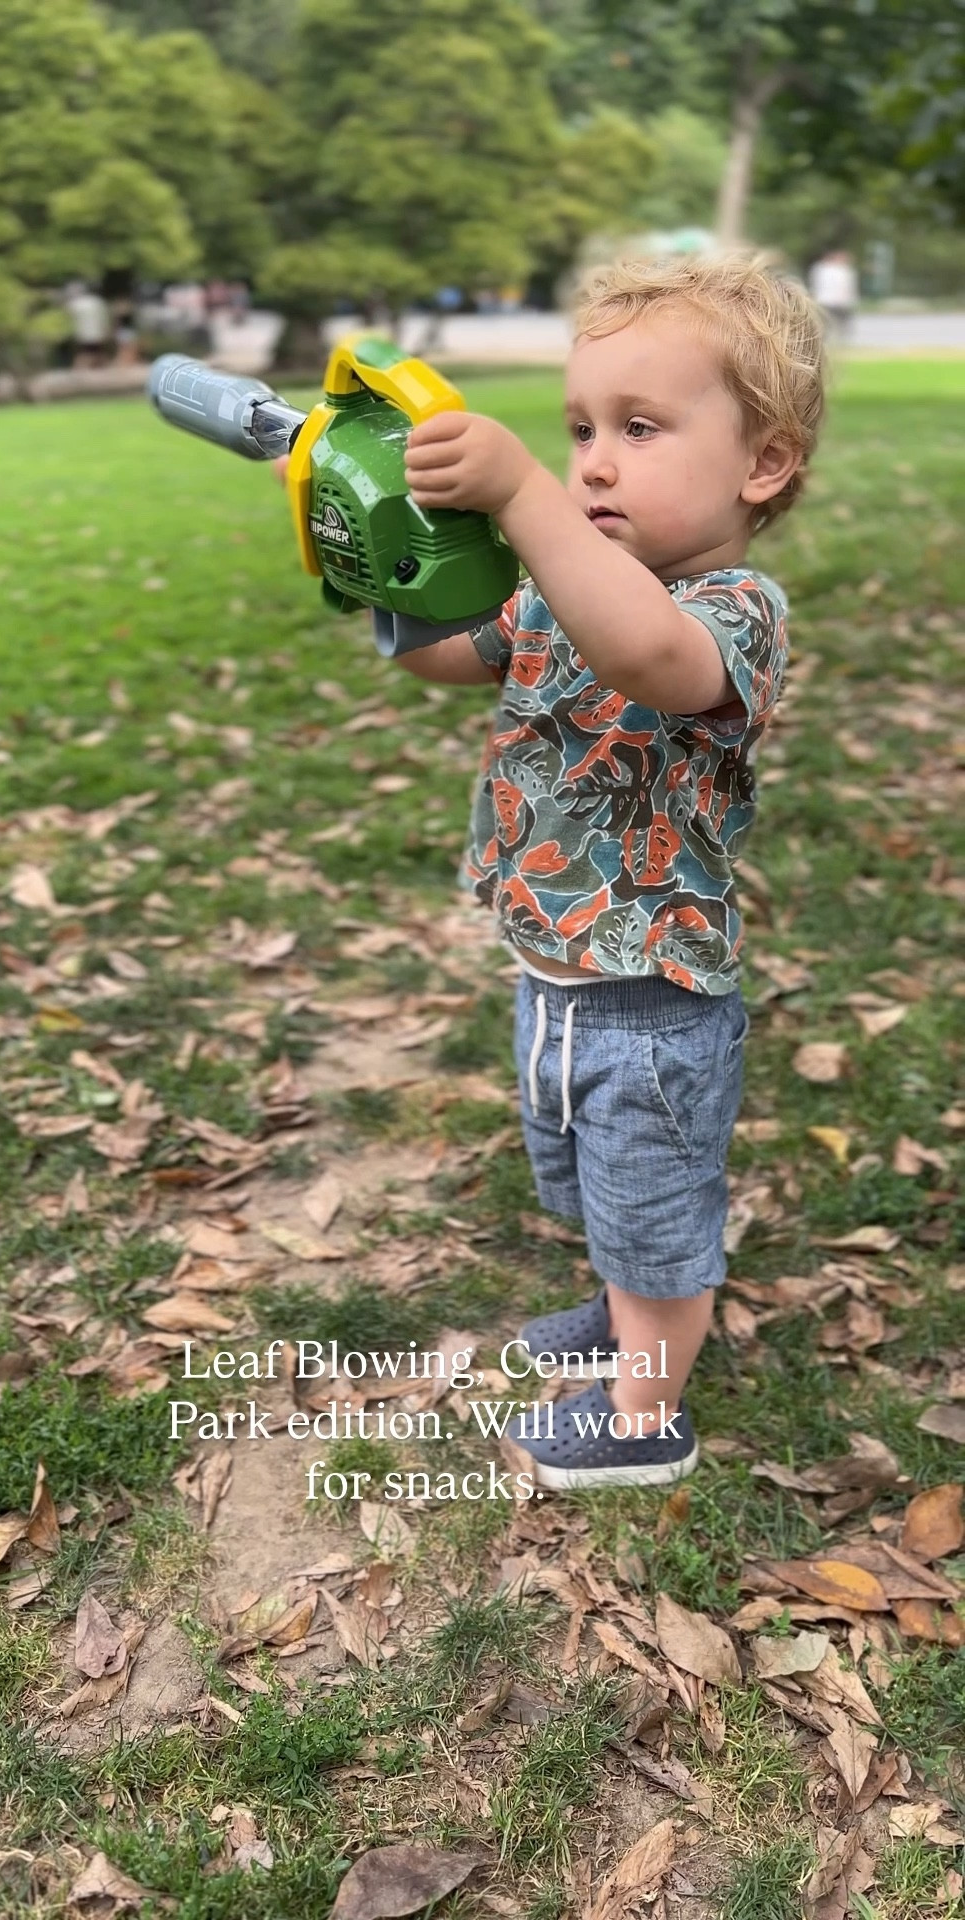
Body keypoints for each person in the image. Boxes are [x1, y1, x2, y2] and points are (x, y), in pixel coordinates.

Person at [394, 252, 825, 1491]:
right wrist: (367, 539)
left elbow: (646, 654)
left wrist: (523, 495)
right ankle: (627, 1311)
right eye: (578, 429)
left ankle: (648, 1413)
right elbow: (442, 655)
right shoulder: (559, 590)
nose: (590, 461)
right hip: (555, 975)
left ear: (762, 462)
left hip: (652, 1005)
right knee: (597, 1185)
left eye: (639, 428)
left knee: (655, 1213)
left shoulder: (733, 609)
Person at [808, 249, 858, 344]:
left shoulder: (821, 269)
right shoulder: (839, 270)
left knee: (835, 321)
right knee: (833, 321)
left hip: (829, 300)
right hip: (833, 300)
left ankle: (836, 338)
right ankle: (836, 338)